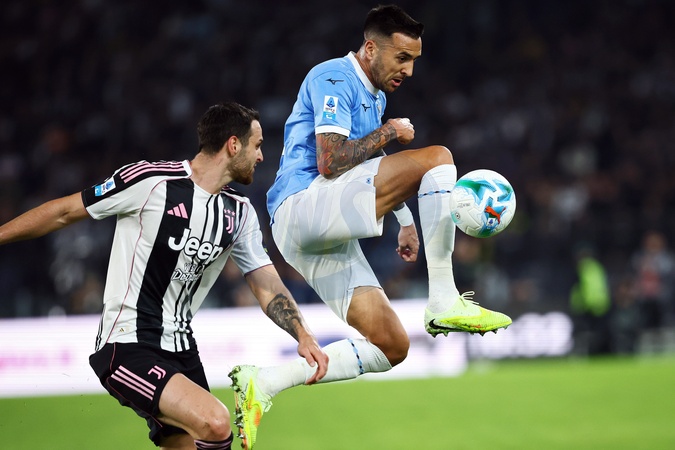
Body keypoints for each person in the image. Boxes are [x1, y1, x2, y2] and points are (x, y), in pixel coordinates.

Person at [228, 4, 512, 448]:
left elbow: (368, 161)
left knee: (391, 345)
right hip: (303, 204)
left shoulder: (375, 96)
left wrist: (405, 220)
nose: (409, 70)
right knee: (438, 159)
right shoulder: (333, 77)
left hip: (314, 232)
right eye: (402, 58)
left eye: (414, 60)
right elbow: (331, 161)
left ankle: (263, 382)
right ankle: (443, 298)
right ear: (371, 48)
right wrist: (391, 131)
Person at [0, 102, 328, 450]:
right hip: (128, 345)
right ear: (233, 144)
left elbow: (266, 284)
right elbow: (66, 211)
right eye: (257, 145)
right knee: (216, 423)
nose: (261, 156)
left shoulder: (240, 213)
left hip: (183, 352)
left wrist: (303, 334)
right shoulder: (150, 181)